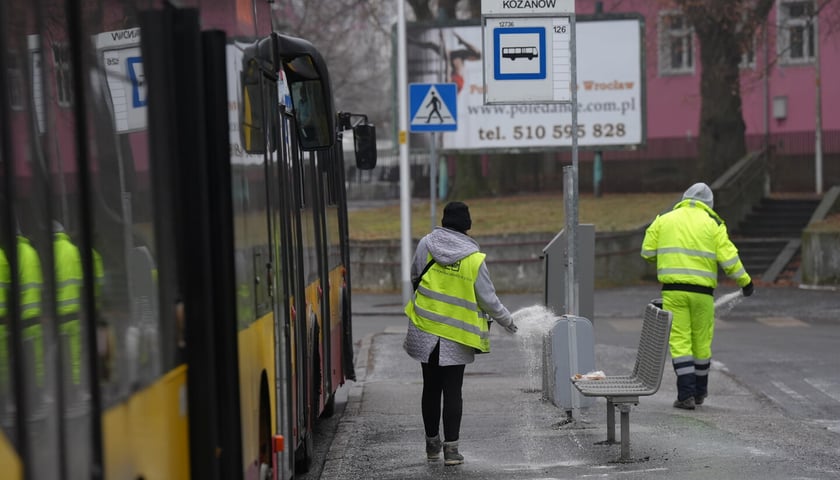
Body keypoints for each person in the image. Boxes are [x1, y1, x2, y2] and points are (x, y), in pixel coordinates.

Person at [403, 201, 518, 466]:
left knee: (430, 388)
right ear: (467, 225)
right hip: (456, 333)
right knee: (453, 390)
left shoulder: (425, 244)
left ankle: (432, 444)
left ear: (443, 221)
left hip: (426, 327)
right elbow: (489, 300)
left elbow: (414, 277)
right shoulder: (474, 259)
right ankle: (451, 451)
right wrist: (508, 322)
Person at [641, 182, 754, 410]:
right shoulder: (713, 224)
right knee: (701, 341)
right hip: (703, 294)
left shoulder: (664, 219)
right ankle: (700, 392)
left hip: (673, 291)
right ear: (709, 204)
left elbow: (647, 252)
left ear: (684, 198)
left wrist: (666, 257)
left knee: (680, 341)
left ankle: (685, 395)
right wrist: (746, 282)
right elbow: (729, 259)